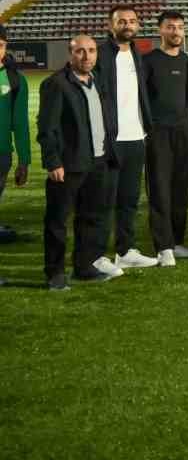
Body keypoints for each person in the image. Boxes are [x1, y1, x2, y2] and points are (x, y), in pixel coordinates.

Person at [38, 35, 119, 289]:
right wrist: (53, 162)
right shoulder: (56, 84)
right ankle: (55, 273)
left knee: (91, 219)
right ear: (70, 54)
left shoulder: (98, 82)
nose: (87, 57)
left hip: (98, 162)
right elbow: (47, 128)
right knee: (58, 221)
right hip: (69, 165)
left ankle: (84, 267)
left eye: (92, 51)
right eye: (80, 52)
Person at [95, 4, 157, 271]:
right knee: (103, 200)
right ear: (111, 26)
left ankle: (125, 250)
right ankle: (96, 255)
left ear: (138, 25)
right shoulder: (99, 54)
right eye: (122, 22)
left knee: (129, 199)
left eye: (132, 21)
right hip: (110, 139)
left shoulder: (137, 53)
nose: (127, 25)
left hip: (136, 137)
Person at [141, 10, 188, 266]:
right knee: (160, 190)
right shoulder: (149, 61)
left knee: (181, 189)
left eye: (180, 27)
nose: (176, 32)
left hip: (184, 133)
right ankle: (163, 247)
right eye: (170, 27)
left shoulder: (186, 60)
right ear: (160, 30)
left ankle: (176, 241)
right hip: (159, 134)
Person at [0, 24, 32, 247]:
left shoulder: (16, 79)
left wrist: (24, 161)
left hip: (1, 153)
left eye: (0, 45)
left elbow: (20, 123)